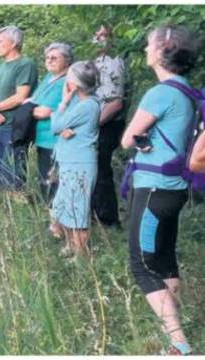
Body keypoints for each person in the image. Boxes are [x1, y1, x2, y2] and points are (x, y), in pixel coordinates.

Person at [120, 26, 199, 356]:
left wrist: (141, 141)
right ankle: (172, 330)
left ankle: (179, 344)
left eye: (149, 44)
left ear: (164, 50)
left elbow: (127, 139)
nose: (145, 49)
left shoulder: (160, 93)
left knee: (142, 265)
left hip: (154, 187)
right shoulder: (188, 92)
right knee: (164, 260)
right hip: (176, 188)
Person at [49, 61, 100, 257]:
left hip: (80, 163)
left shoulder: (87, 105)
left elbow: (56, 125)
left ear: (75, 84)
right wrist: (64, 127)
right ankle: (71, 245)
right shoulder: (79, 102)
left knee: (78, 207)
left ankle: (81, 253)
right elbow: (61, 127)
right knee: (65, 205)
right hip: (70, 160)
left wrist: (62, 103)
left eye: (69, 79)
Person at [0, 26, 38, 192]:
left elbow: (20, 96)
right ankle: (2, 214)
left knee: (13, 177)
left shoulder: (25, 64)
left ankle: (17, 210)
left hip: (14, 128)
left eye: (1, 41)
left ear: (14, 43)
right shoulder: (1, 67)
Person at [91, 24, 128, 228]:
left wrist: (92, 125)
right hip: (98, 122)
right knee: (94, 169)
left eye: (103, 34)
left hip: (107, 123)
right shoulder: (97, 60)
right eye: (96, 34)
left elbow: (115, 103)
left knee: (100, 170)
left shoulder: (113, 62)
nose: (98, 38)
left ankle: (108, 220)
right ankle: (95, 216)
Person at [28, 42, 72, 202]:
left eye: (54, 58)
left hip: (55, 139)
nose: (50, 60)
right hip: (42, 138)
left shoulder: (66, 81)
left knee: (55, 183)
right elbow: (33, 100)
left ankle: (58, 220)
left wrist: (27, 111)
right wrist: (31, 108)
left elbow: (43, 112)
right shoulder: (49, 78)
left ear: (67, 61)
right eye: (47, 58)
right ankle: (49, 216)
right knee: (45, 180)